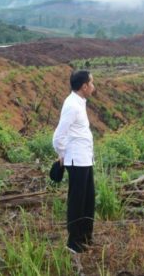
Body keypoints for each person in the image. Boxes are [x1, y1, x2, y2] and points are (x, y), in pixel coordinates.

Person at [52, 70, 96, 253]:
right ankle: (73, 242)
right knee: (77, 201)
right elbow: (58, 136)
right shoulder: (72, 105)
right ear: (84, 86)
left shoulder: (79, 102)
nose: (93, 86)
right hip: (76, 160)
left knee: (88, 200)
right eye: (91, 83)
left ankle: (85, 237)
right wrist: (62, 155)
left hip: (85, 159)